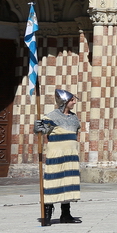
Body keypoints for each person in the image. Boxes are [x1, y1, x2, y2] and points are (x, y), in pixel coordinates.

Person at [35, 88, 82, 225]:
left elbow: (76, 132)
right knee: (53, 182)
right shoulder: (51, 117)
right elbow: (41, 132)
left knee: (68, 183)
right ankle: (47, 215)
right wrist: (39, 126)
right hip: (56, 154)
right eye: (72, 100)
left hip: (70, 155)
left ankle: (65, 215)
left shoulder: (74, 118)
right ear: (64, 101)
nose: (74, 102)